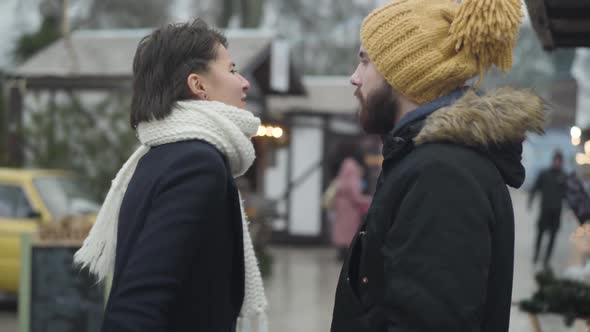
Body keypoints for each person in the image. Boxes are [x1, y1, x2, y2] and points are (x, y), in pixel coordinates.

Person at [330, 0, 545, 331]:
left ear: (405, 73)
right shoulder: (427, 162)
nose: (354, 78)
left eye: (365, 62)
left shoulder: (442, 175)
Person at [74, 20, 268, 332]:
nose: (244, 82)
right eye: (232, 70)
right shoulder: (196, 163)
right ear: (198, 85)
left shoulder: (158, 156)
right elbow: (140, 298)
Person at [529, 151, 566, 269]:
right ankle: (536, 255)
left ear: (562, 162)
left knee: (553, 236)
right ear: (553, 160)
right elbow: (535, 187)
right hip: (545, 210)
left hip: (557, 212)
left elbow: (571, 194)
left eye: (559, 161)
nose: (557, 163)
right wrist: (530, 201)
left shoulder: (564, 177)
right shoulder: (545, 174)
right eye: (556, 160)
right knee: (540, 234)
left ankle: (547, 259)